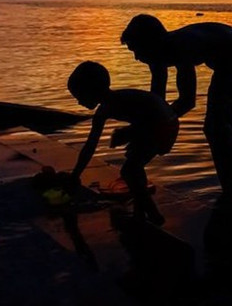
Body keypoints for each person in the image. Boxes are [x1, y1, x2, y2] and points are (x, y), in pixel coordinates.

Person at [120, 15, 232, 195]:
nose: (136, 58)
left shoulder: (181, 47)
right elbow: (156, 104)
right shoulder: (156, 57)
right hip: (225, 66)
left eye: (136, 50)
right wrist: (143, 129)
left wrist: (143, 129)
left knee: (217, 127)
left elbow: (187, 101)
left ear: (150, 43)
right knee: (215, 127)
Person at [67, 60, 179, 225]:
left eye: (79, 96)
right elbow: (90, 146)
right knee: (134, 166)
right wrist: (75, 174)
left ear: (91, 91)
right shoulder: (104, 110)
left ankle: (153, 215)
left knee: (129, 170)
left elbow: (152, 116)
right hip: (153, 126)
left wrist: (128, 133)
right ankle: (140, 213)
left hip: (164, 125)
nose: (79, 102)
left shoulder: (121, 100)